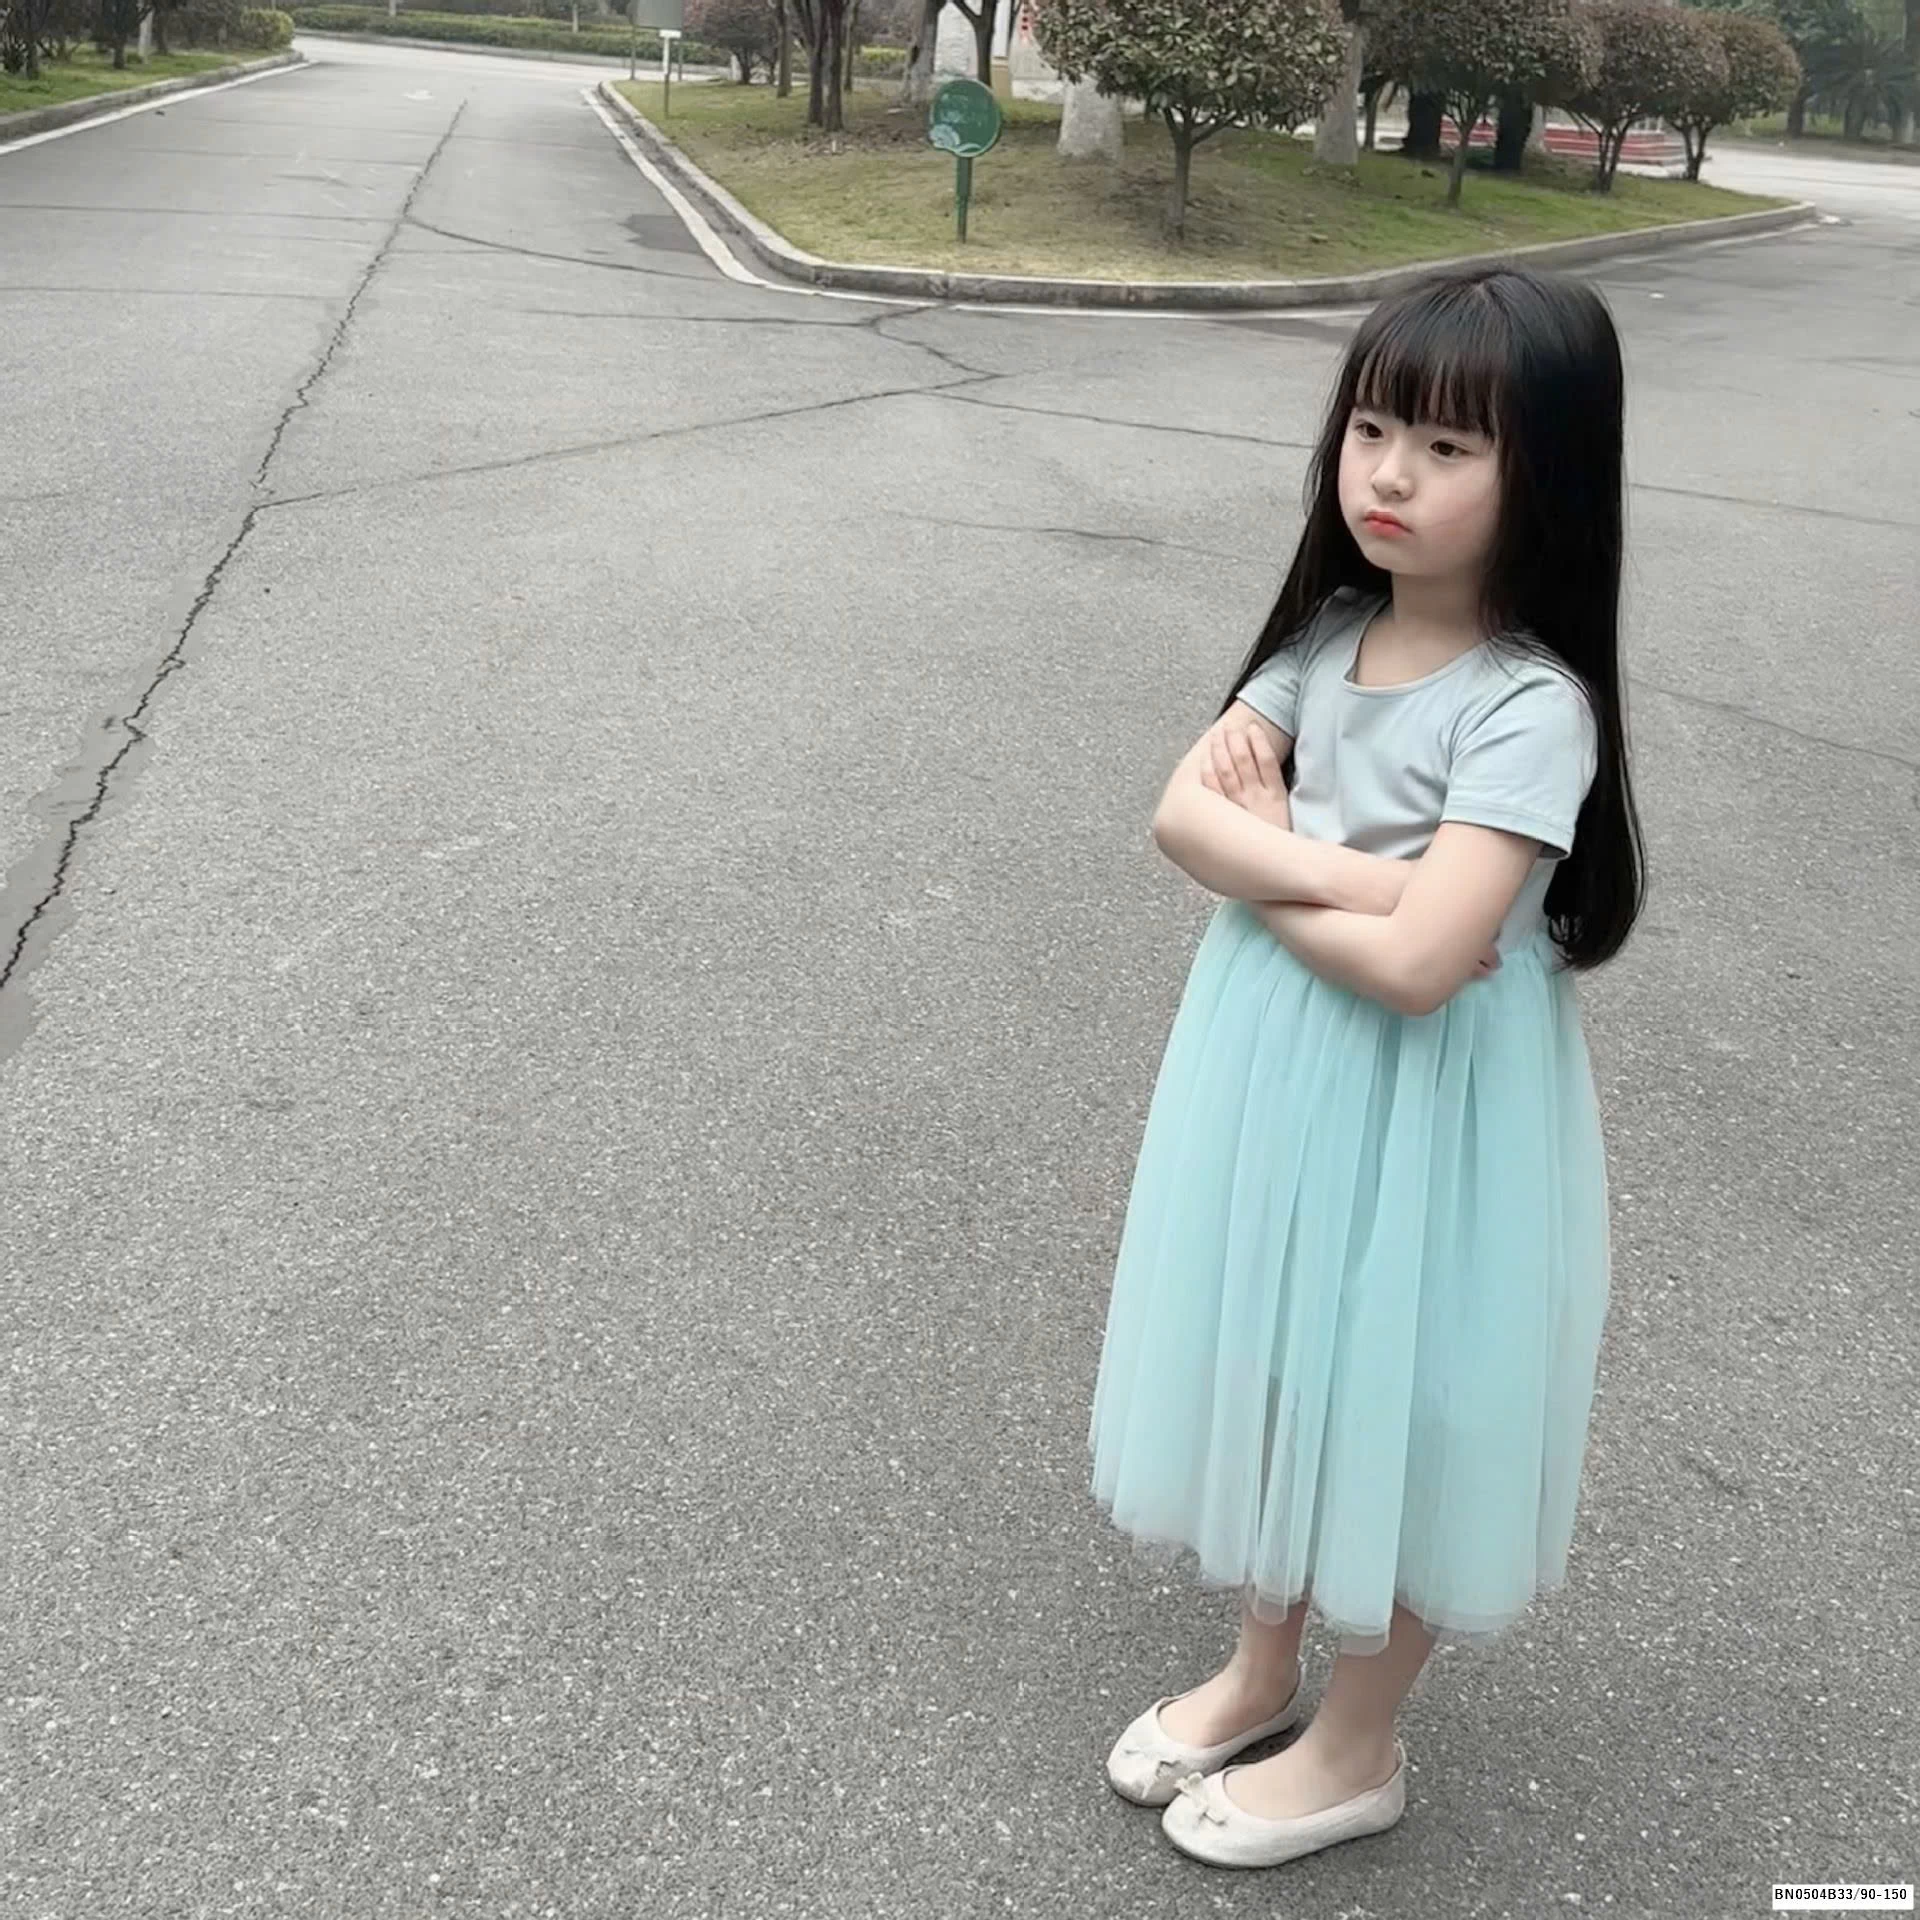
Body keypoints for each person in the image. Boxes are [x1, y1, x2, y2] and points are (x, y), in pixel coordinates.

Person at [1088, 264, 1646, 1872]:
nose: (1391, 474)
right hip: (1277, 1077)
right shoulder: (1329, 636)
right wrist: (1366, 878)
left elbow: (1418, 978)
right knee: (1279, 1354)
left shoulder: (1529, 707)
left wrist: (1270, 867)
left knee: (1406, 1391)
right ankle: (1263, 1666)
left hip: (1434, 1111)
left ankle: (1360, 1738)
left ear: (1550, 471)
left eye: (1450, 447)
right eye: (1375, 429)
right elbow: (1179, 818)